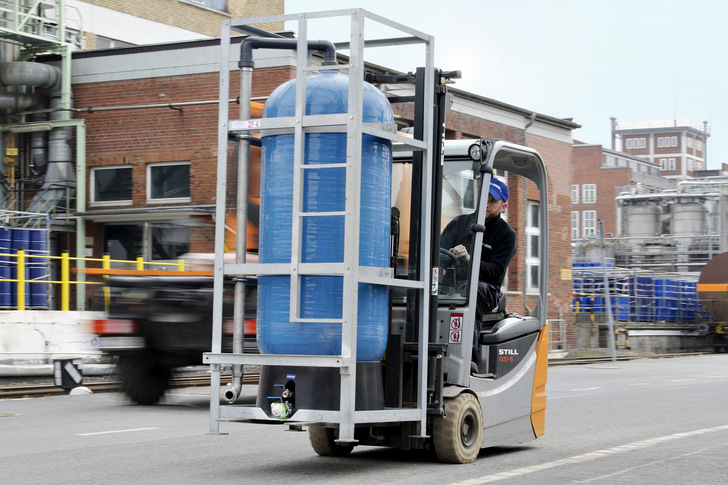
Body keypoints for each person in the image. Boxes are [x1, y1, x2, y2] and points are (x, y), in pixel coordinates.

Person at [439, 177, 516, 360]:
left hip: (486, 289)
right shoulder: (459, 224)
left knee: (474, 290)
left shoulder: (506, 235)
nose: (486, 204)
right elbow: (438, 255)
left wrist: (468, 259)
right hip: (452, 285)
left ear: (503, 207)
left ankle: (467, 358)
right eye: (484, 199)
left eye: (492, 201)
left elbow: (495, 272)